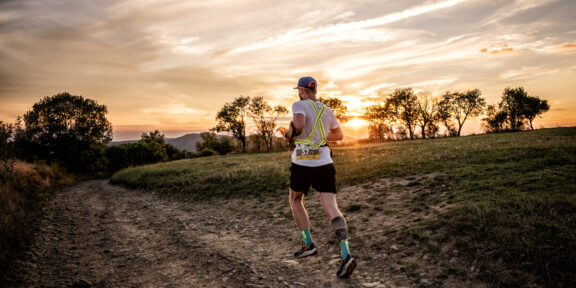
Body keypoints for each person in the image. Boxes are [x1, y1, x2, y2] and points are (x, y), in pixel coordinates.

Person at [284, 76, 357, 278]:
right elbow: (339, 135)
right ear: (315, 90)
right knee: (331, 206)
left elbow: (298, 125)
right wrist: (320, 136)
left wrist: (289, 132)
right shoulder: (327, 110)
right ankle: (345, 253)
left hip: (303, 159)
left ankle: (308, 244)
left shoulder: (299, 104)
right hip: (324, 160)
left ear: (302, 90)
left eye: (299, 90)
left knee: (295, 199)